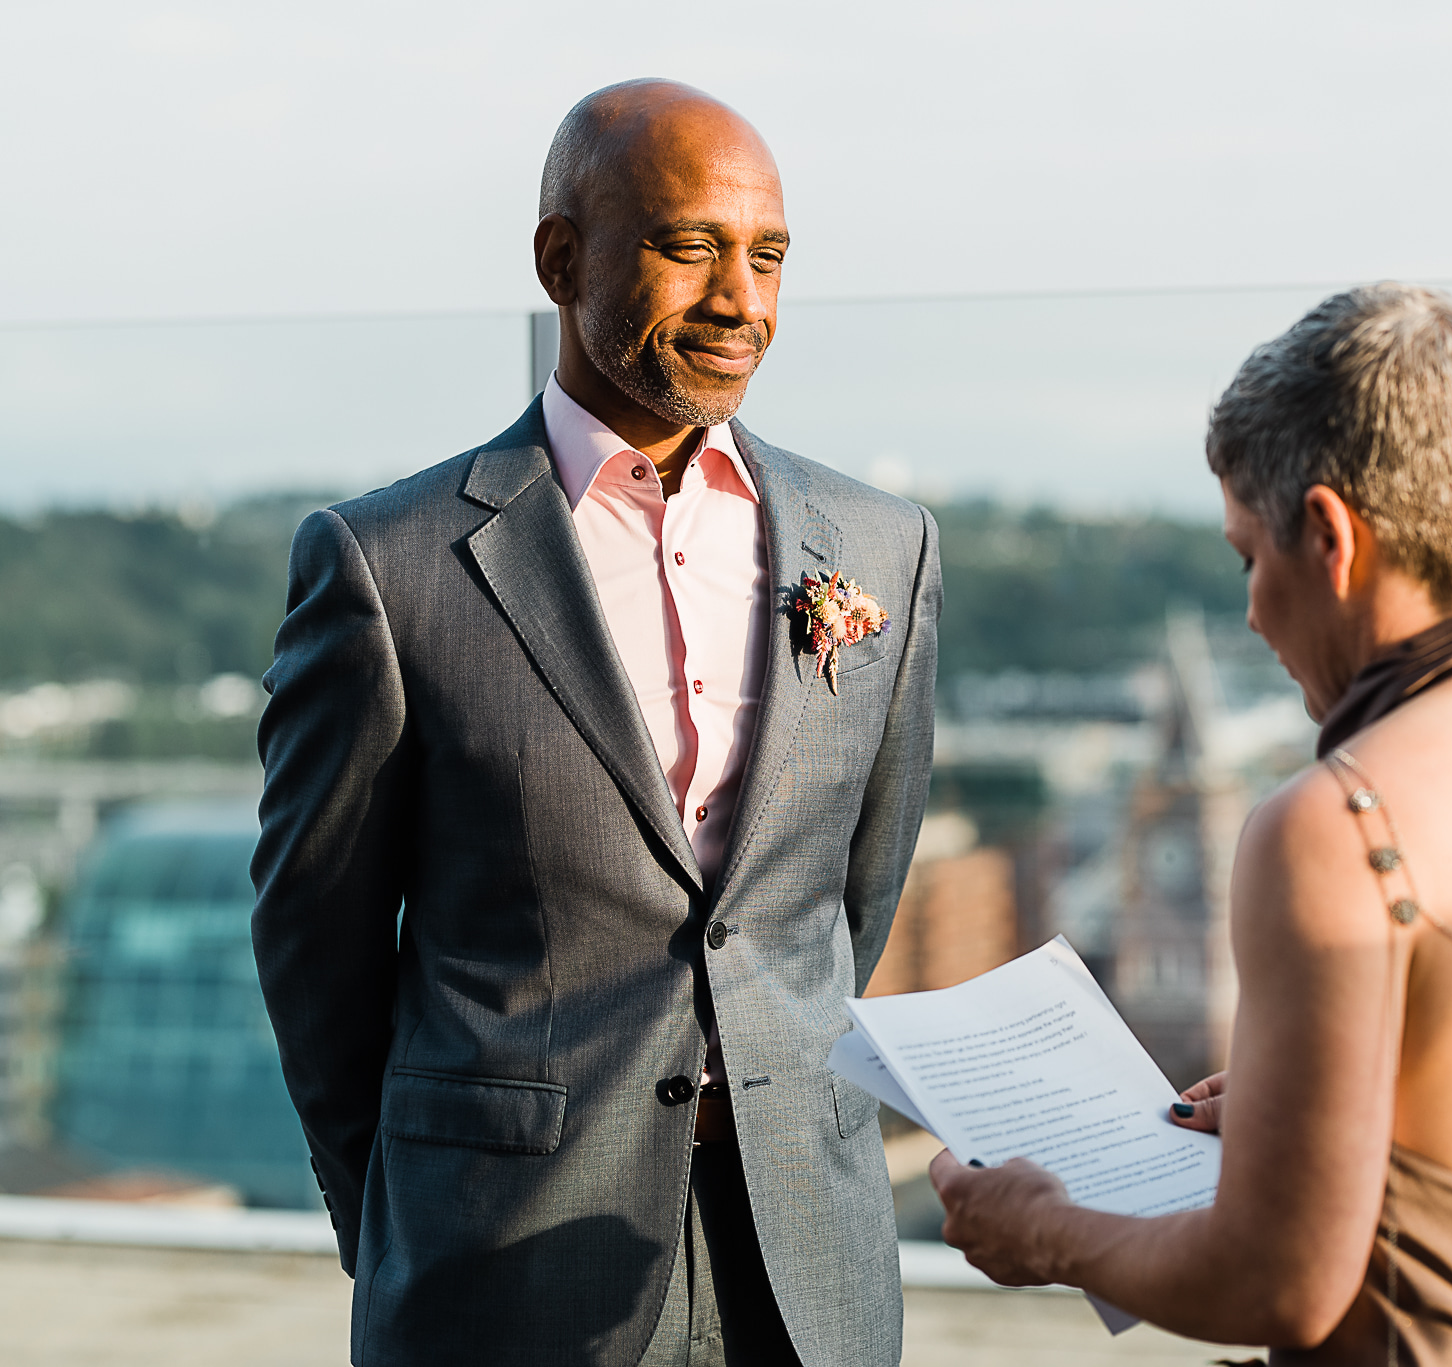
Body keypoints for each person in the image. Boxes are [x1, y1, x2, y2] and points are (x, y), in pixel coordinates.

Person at [930, 284, 1452, 1364]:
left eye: (1248, 556)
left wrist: (1040, 1226)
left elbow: (1276, 1286)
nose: (1249, 609)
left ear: (1328, 535)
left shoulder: (1336, 825)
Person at [252, 80, 939, 1367]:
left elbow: (852, 898)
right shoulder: (387, 564)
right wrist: (398, 1209)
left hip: (807, 1259)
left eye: (768, 256)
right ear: (559, 258)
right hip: (495, 1261)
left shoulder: (883, 549)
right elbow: (317, 939)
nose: (740, 297)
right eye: (691, 248)